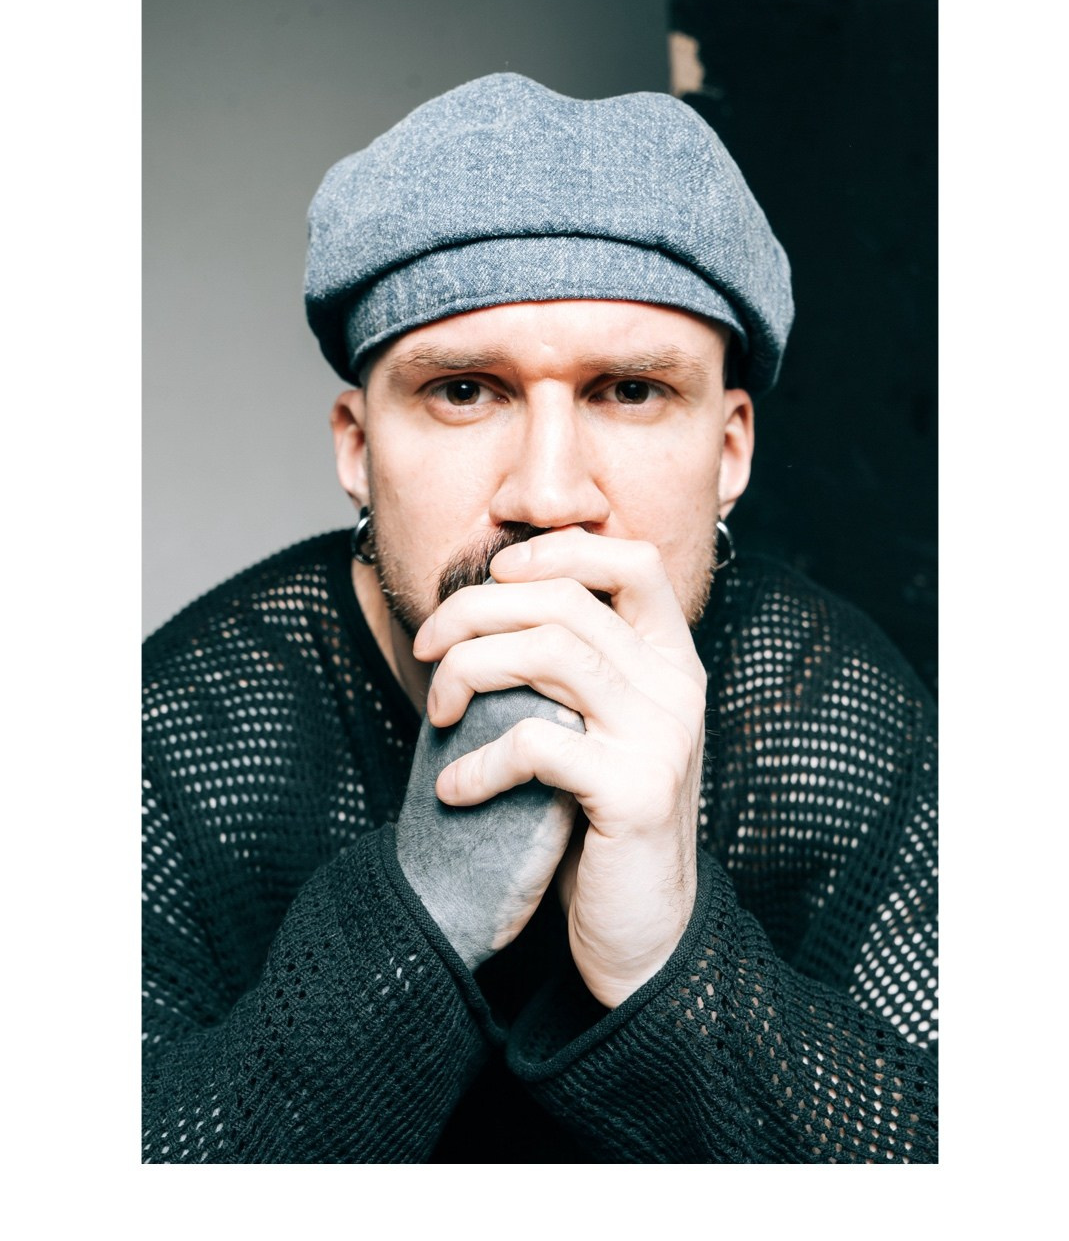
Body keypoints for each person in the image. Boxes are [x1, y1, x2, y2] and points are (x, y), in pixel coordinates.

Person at [142, 72, 938, 1163]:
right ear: (359, 450)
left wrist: (672, 963)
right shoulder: (185, 732)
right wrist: (414, 922)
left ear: (730, 453)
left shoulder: (835, 715)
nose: (551, 494)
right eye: (465, 390)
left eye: (630, 391)